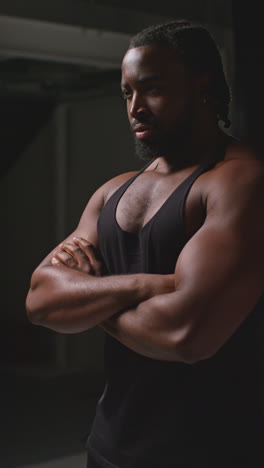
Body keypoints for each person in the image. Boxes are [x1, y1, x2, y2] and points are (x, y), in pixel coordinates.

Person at [26, 20, 264, 468]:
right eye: (127, 93)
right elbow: (40, 300)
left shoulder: (239, 182)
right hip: (109, 444)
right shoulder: (113, 190)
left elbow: (185, 336)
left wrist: (88, 301)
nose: (136, 107)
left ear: (202, 86)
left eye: (152, 89)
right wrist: (142, 286)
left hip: (210, 452)